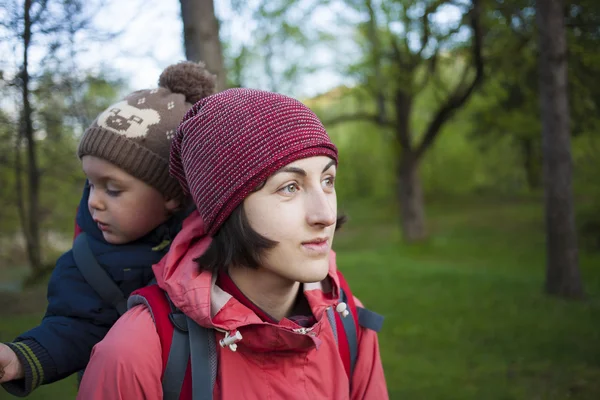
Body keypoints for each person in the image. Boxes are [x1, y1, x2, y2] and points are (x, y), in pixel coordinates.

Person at [77, 88, 388, 399]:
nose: (325, 215)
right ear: (225, 207)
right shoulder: (135, 351)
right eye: (290, 187)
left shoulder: (348, 322)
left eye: (327, 181)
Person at [0, 61, 216, 396]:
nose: (93, 202)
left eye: (112, 189)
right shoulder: (86, 263)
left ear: (172, 195)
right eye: (91, 185)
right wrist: (20, 358)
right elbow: (73, 328)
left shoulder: (211, 241)